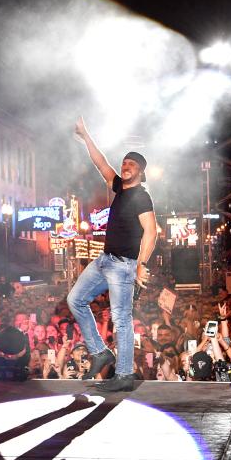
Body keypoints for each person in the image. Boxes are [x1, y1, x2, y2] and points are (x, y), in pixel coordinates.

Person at [67, 117, 157, 392]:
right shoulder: (119, 186)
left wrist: (141, 265)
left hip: (123, 266)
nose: (124, 166)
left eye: (131, 164)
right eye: (124, 163)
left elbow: (151, 232)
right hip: (104, 260)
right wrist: (85, 135)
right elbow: (101, 163)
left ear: (140, 170)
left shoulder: (142, 196)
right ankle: (101, 352)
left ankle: (125, 374)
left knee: (121, 319)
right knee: (75, 300)